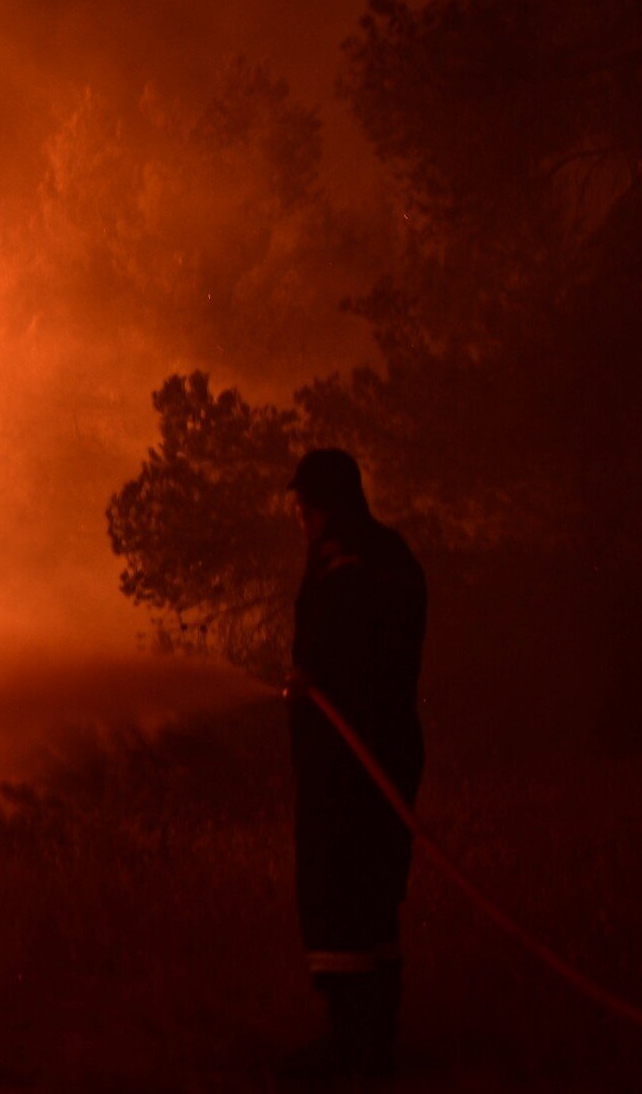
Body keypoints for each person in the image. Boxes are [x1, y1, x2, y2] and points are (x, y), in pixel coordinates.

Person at [280, 448, 426, 1077]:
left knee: (336, 889)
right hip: (391, 749)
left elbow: (341, 651)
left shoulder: (342, 562)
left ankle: (350, 1047)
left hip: (347, 760)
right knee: (374, 894)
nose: (302, 518)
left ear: (321, 506)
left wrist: (311, 681)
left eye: (304, 507)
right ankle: (374, 1039)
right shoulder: (391, 551)